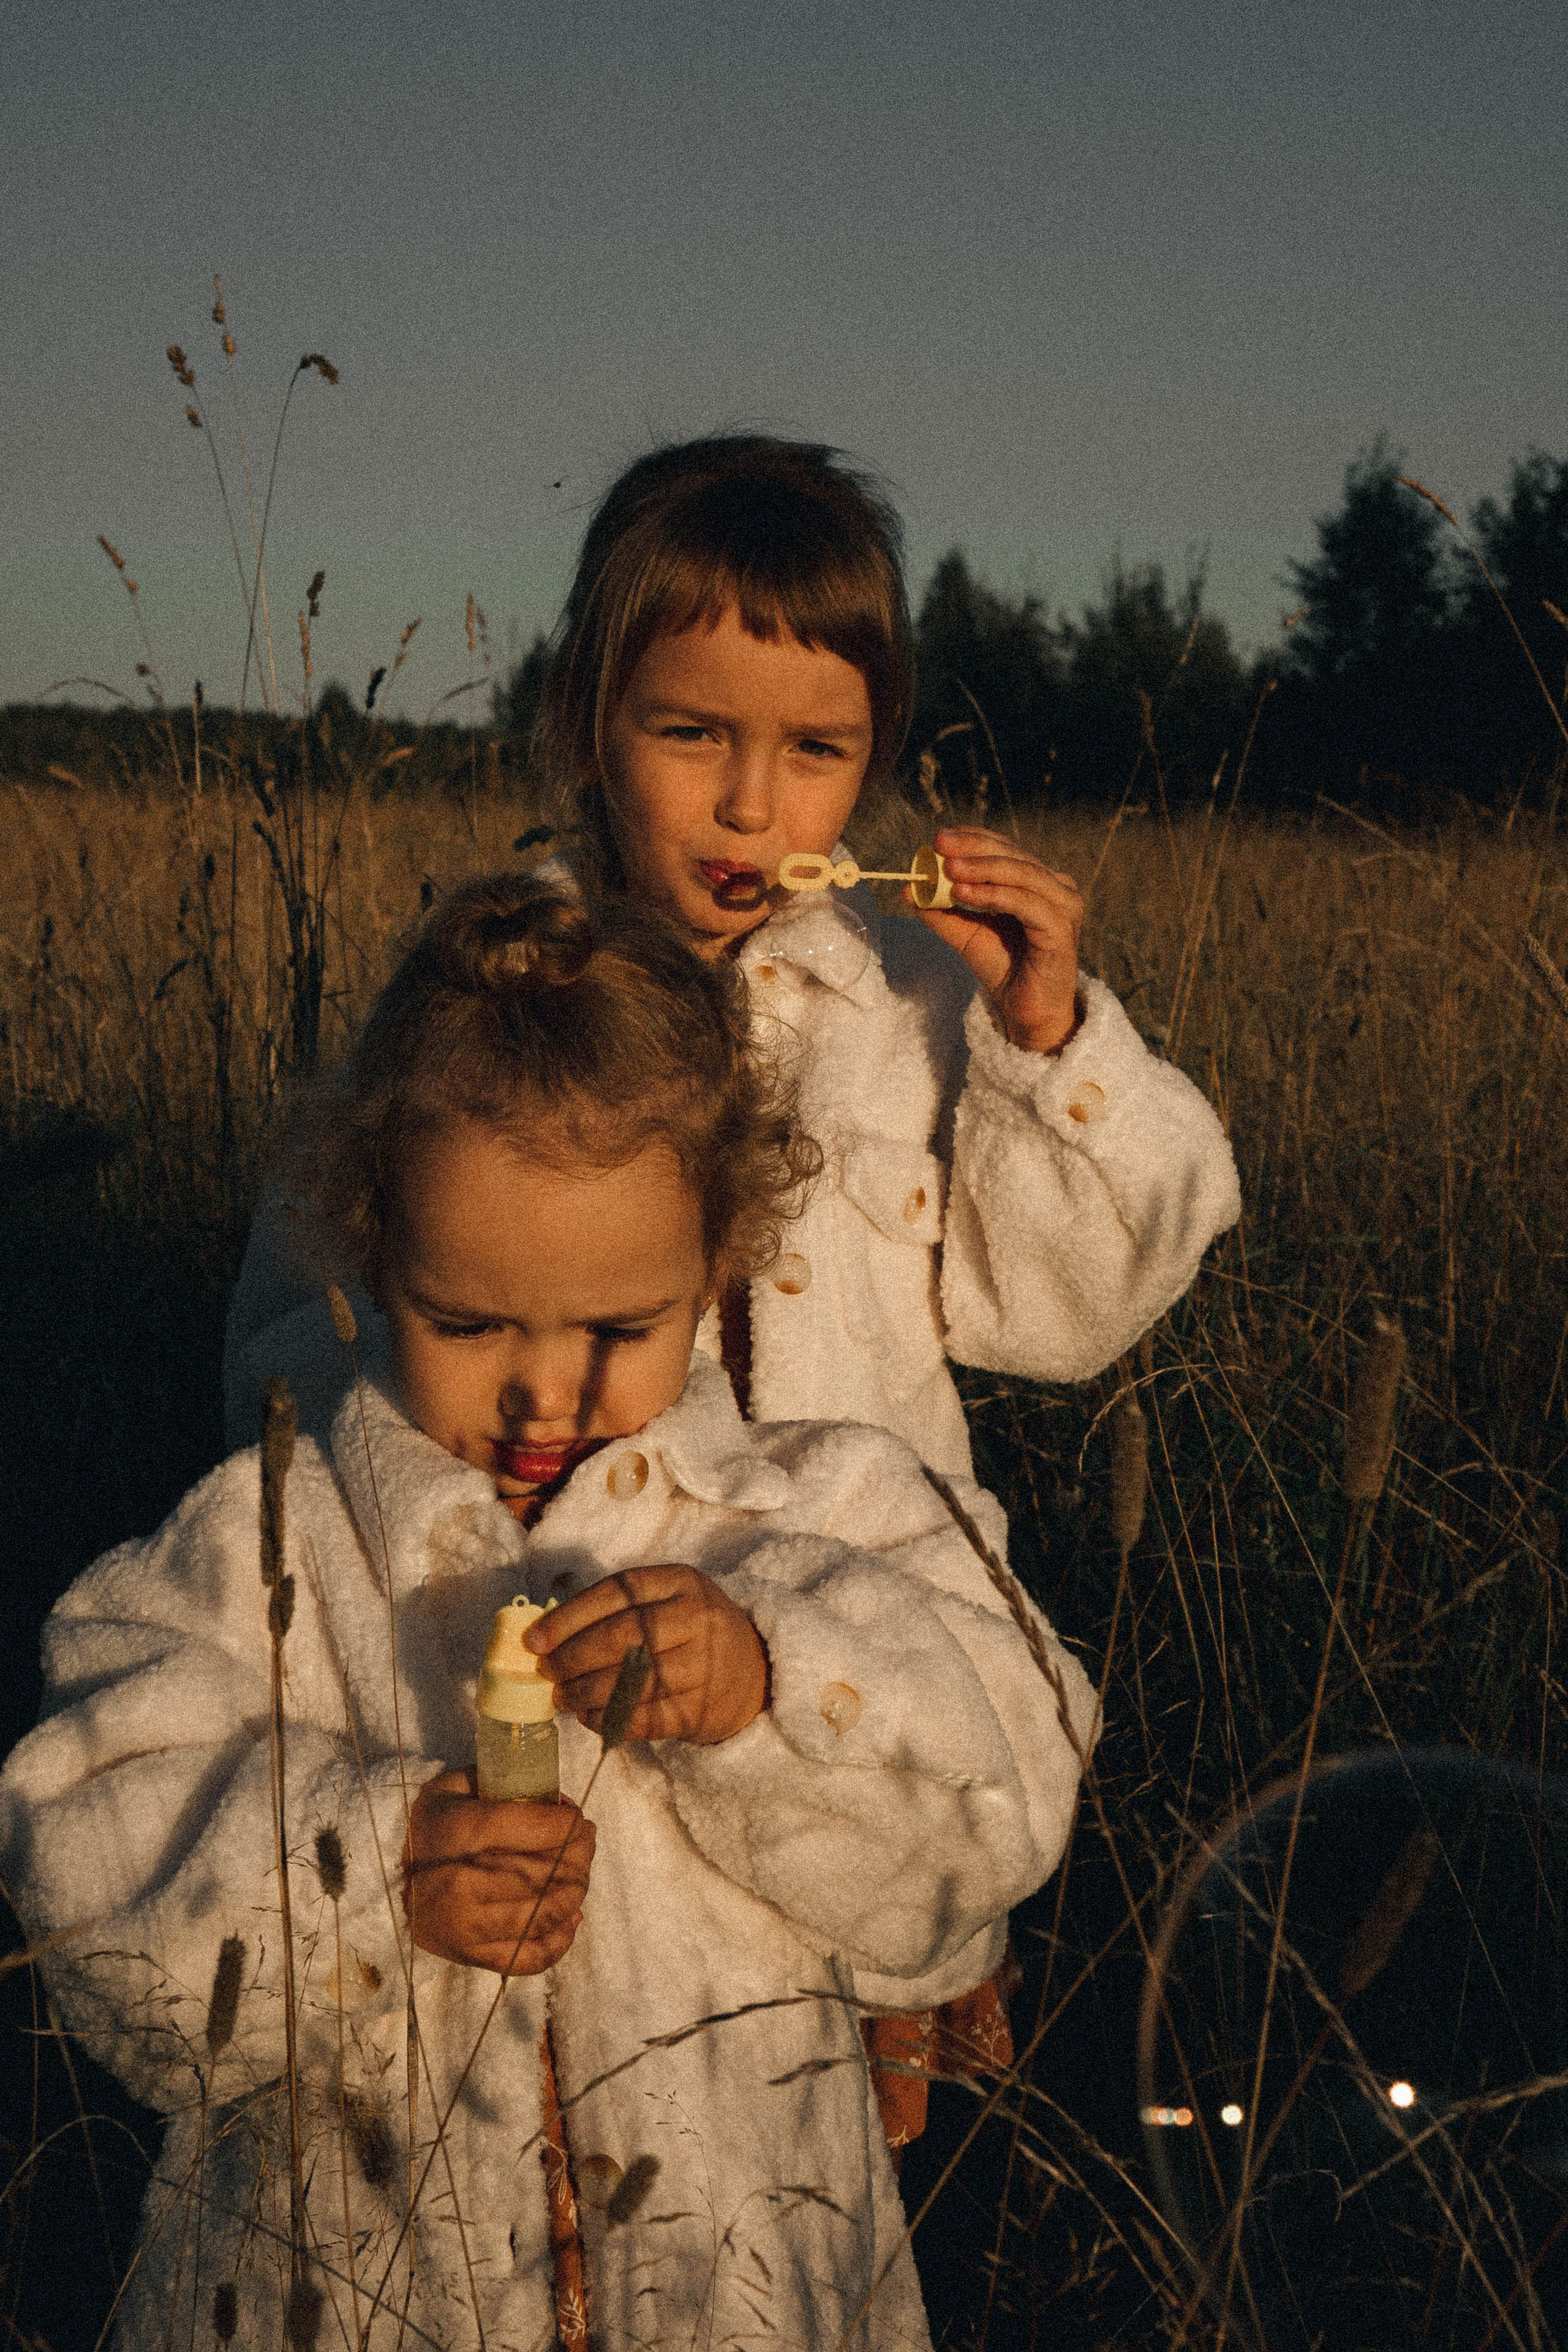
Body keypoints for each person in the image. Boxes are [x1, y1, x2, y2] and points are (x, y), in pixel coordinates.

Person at [2, 881, 1096, 2351]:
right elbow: (84, 1868)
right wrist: (365, 1867)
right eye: (466, 1323)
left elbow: (1004, 1803)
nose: (541, 1390)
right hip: (347, 2294)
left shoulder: (816, 1516)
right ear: (371, 1255)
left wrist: (773, 1681)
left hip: (743, 2288)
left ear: (712, 1269)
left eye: (616, 1330)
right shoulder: (269, 1543)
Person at [225, 434, 1240, 1479]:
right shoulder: (488, 992)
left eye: (814, 749)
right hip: (563, 1598)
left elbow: (1078, 1315)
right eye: (693, 733)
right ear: (588, 725)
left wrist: (1047, 1039)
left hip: (865, 1588)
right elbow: (294, 1336)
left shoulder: (923, 1007)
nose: (750, 807)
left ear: (873, 753)